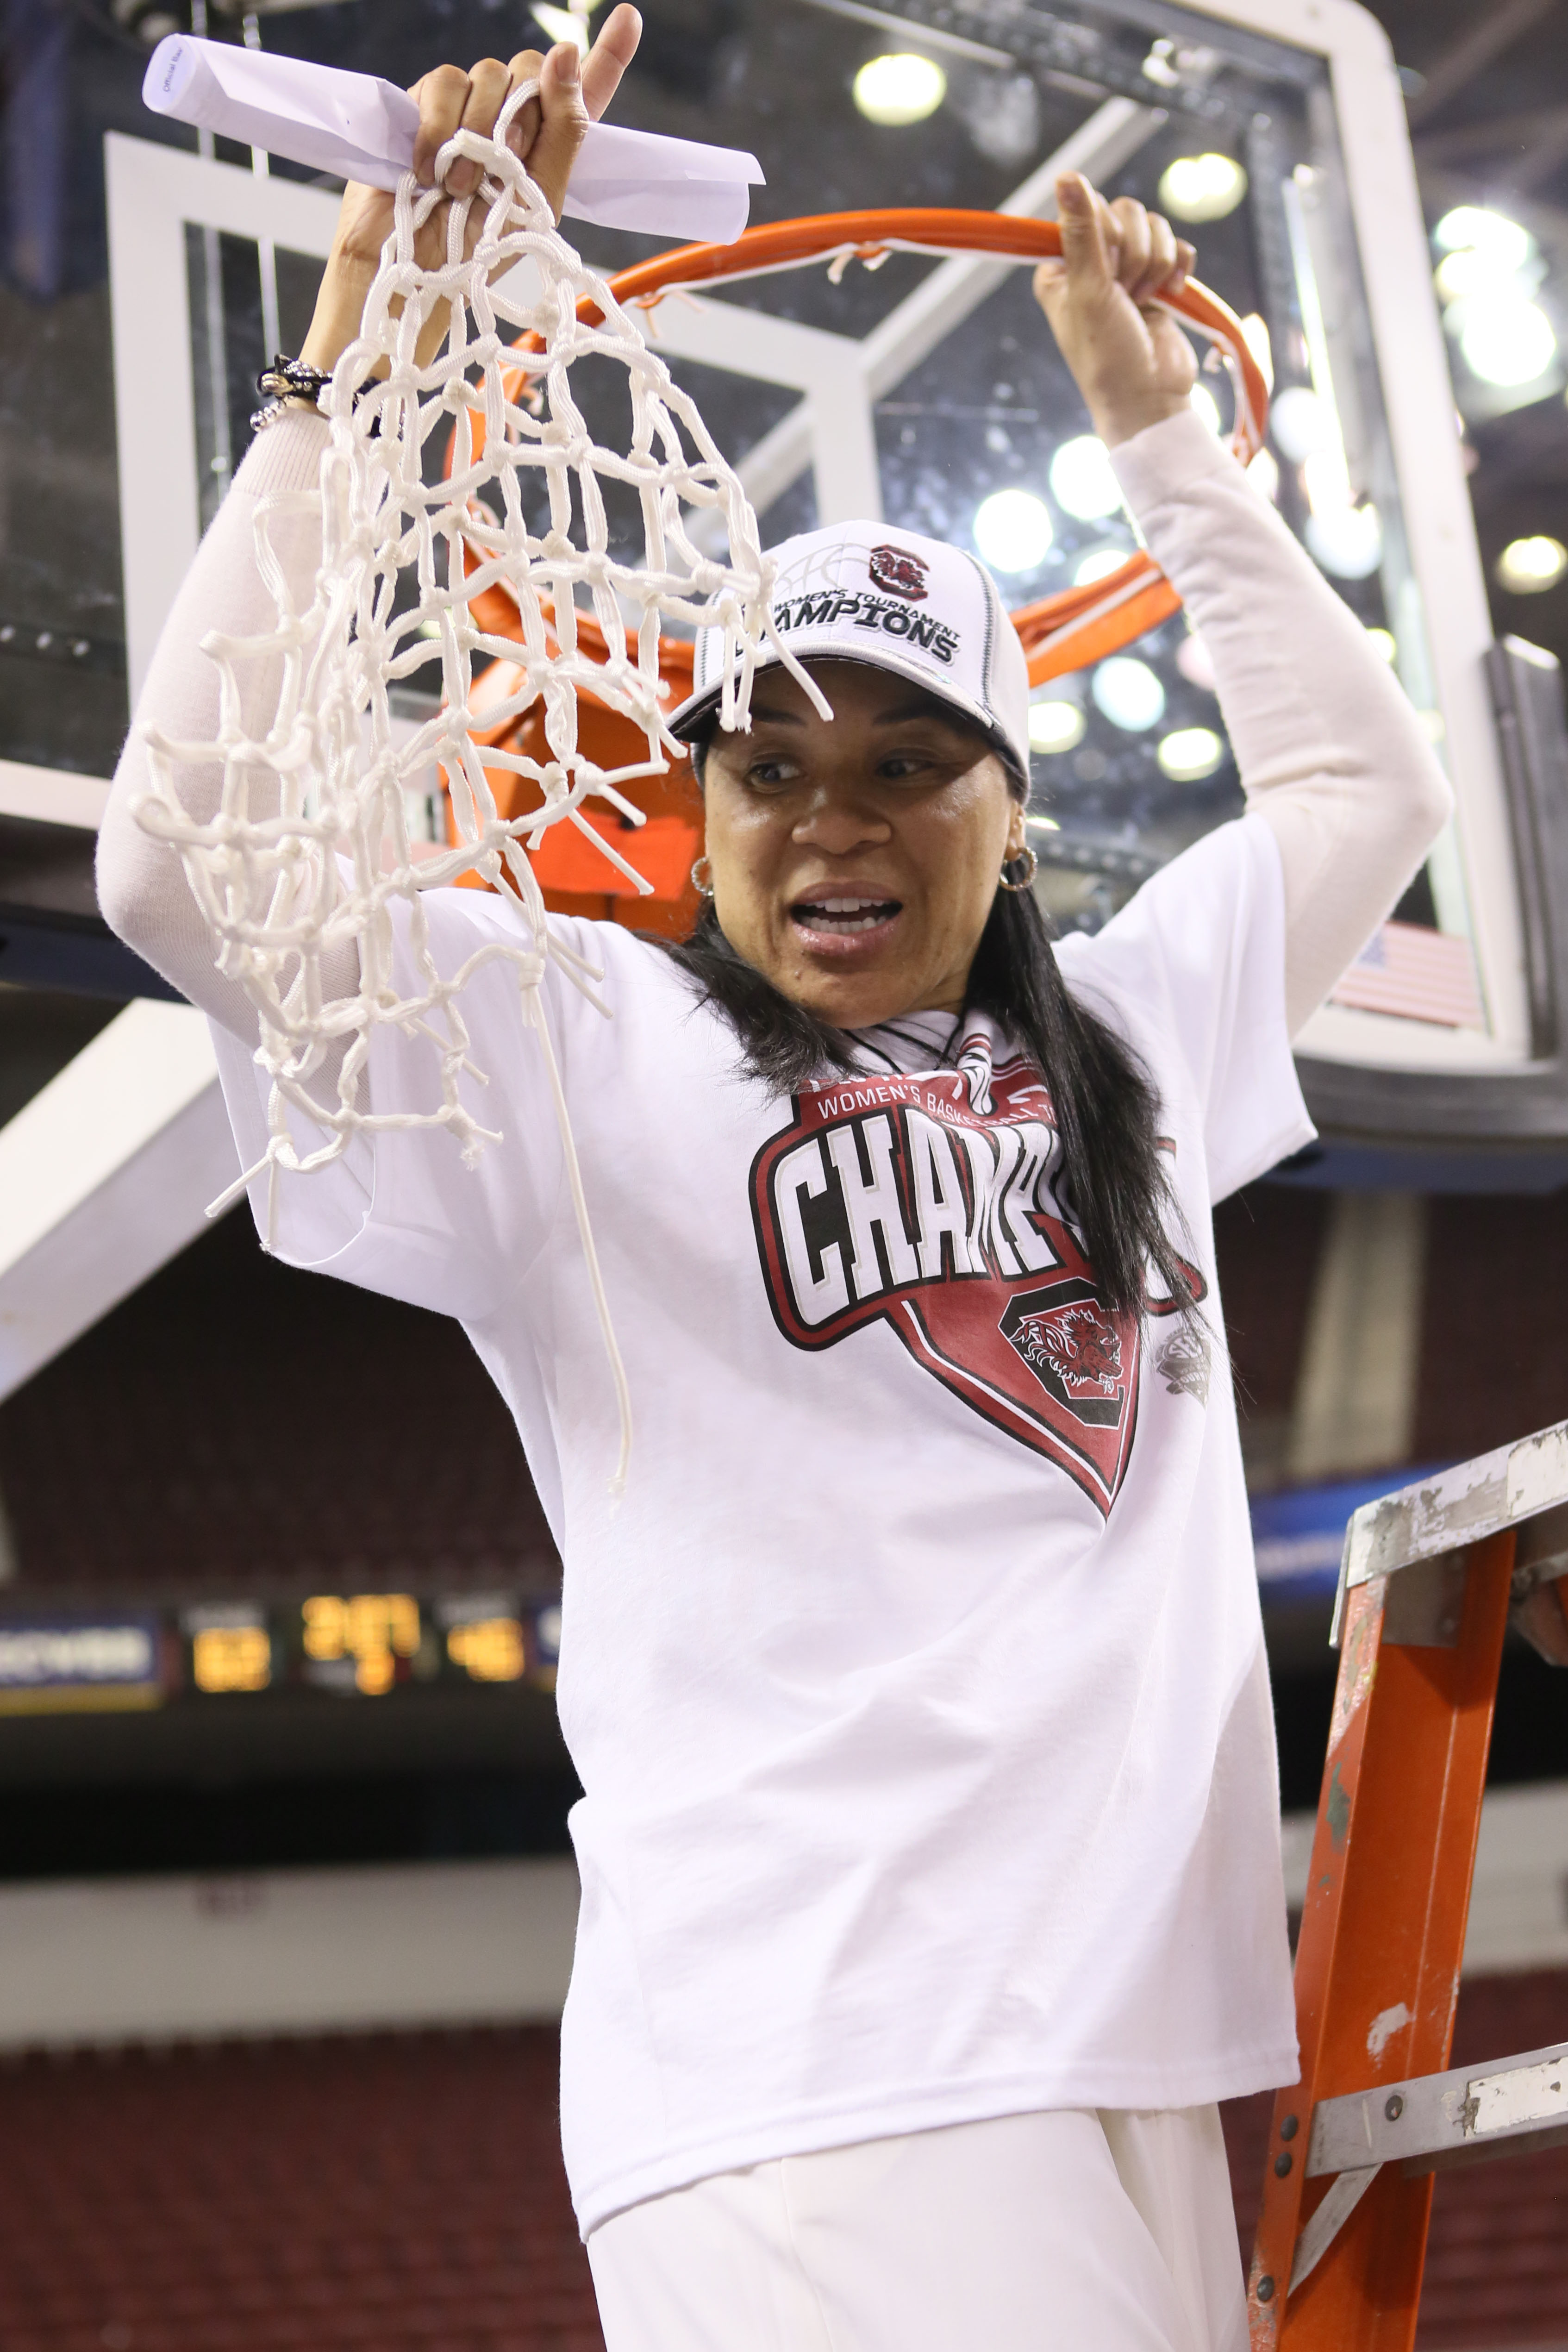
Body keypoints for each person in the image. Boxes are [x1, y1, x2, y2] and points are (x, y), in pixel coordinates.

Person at [98, 17, 1451, 2349]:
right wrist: (355, 346)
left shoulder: (1130, 1032)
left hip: (1127, 2052)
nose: (839, 814)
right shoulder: (578, 1045)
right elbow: (176, 873)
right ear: (698, 818)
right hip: (809, 2074)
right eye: (777, 763)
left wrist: (1148, 428)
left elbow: (1364, 789)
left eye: (914, 763)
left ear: (1011, 816)